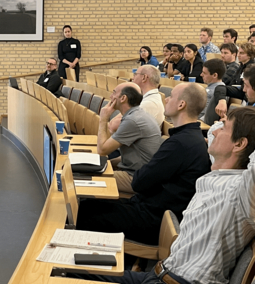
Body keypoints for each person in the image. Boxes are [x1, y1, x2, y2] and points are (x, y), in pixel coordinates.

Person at [92, 107, 255, 284]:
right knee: (76, 275)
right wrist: (243, 129)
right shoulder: (221, 172)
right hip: (159, 279)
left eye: (224, 128)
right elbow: (214, 132)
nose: (213, 132)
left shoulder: (244, 193)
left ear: (239, 144)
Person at [76, 83, 212, 244]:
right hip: (150, 207)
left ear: (181, 104)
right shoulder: (188, 138)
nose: (166, 99)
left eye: (171, 96)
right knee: (88, 205)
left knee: (83, 214)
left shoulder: (180, 143)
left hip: (153, 220)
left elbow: (139, 182)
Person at [96, 83, 162, 197]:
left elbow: (102, 150)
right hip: (139, 171)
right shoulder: (136, 115)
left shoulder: (133, 120)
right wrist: (109, 163)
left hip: (137, 177)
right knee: (99, 166)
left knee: (91, 176)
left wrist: (103, 119)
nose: (111, 96)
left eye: (114, 92)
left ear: (123, 98)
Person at [199, 59, 227, 125]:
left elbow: (207, 116)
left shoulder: (217, 92)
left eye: (204, 73)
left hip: (201, 124)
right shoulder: (210, 88)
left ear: (214, 75)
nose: (201, 75)